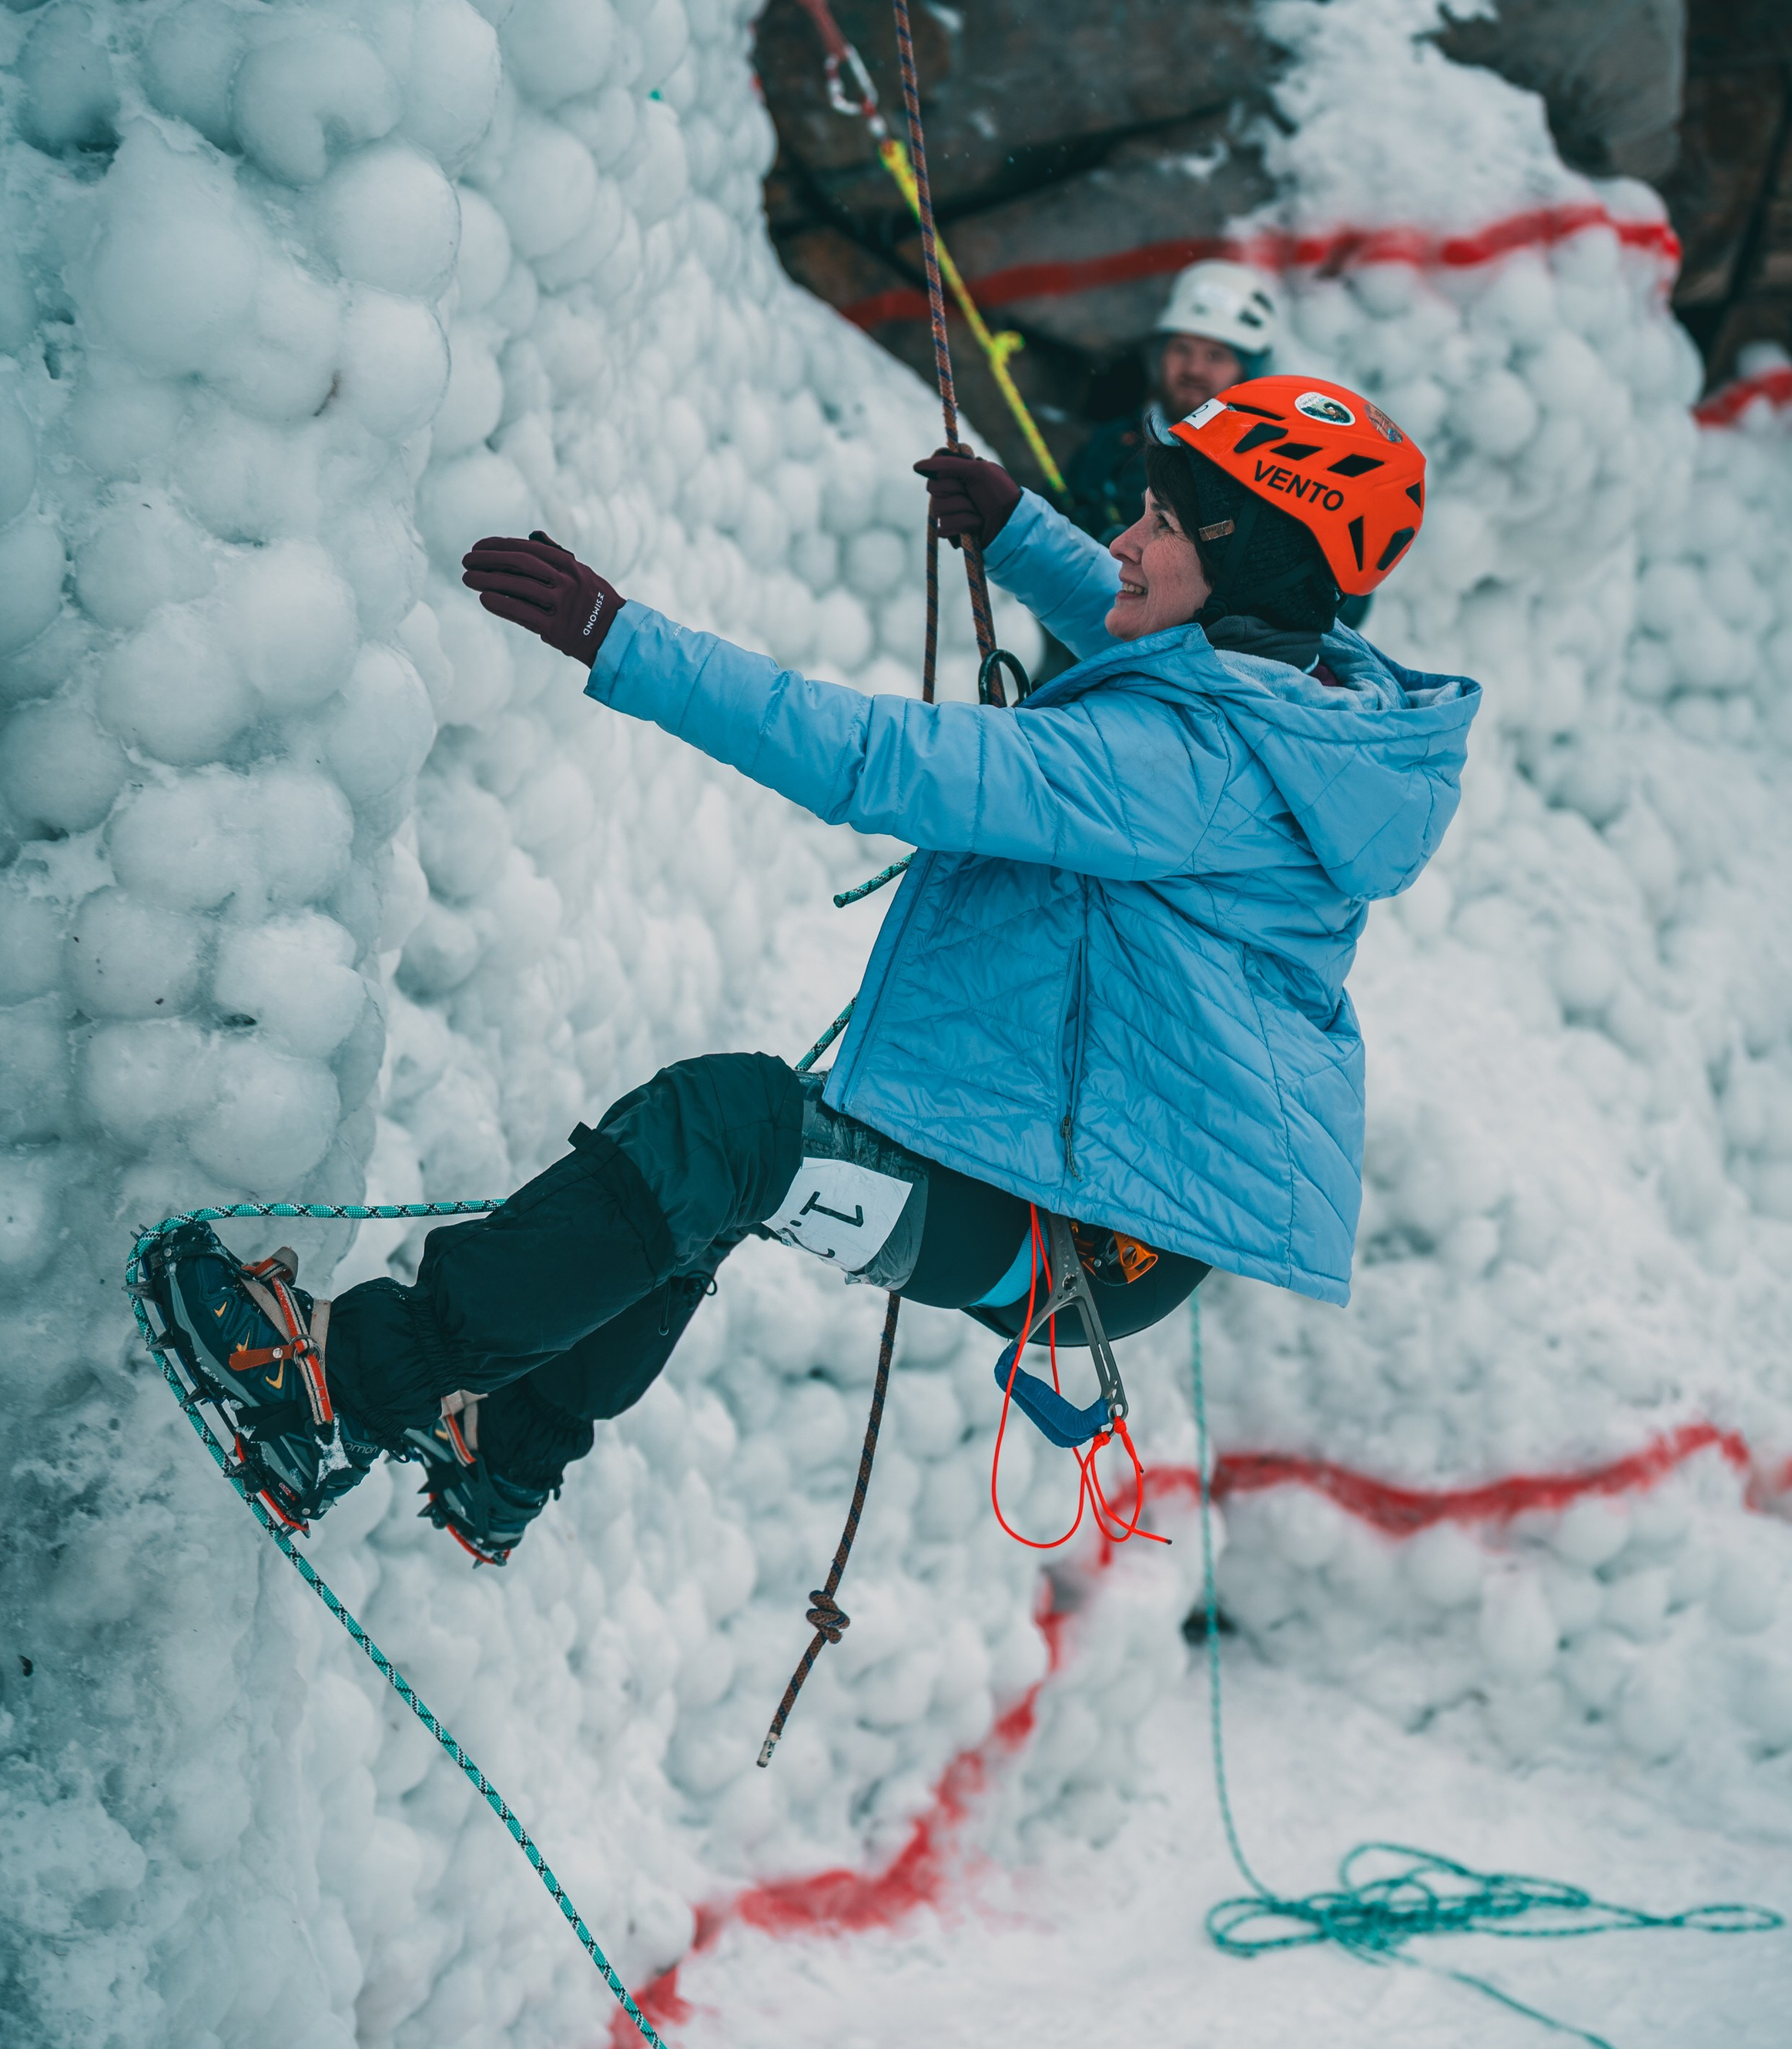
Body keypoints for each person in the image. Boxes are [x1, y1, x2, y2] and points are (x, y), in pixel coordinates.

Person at [152, 375, 1478, 1566]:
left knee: (726, 1133)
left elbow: (880, 764)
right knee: (715, 1162)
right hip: (1096, 1194)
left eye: (1163, 527)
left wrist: (622, 638)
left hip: (1075, 1237)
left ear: (1255, 563)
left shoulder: (1188, 773)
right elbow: (1168, 630)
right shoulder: (1308, 693)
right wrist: (1025, 539)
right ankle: (502, 1444)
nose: (1128, 543)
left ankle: (341, 1393)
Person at [1064, 260, 1278, 547]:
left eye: (1216, 355)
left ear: (1245, 371)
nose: (1194, 369)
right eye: (1182, 349)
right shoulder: (1112, 443)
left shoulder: (1270, 467)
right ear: (1161, 356)